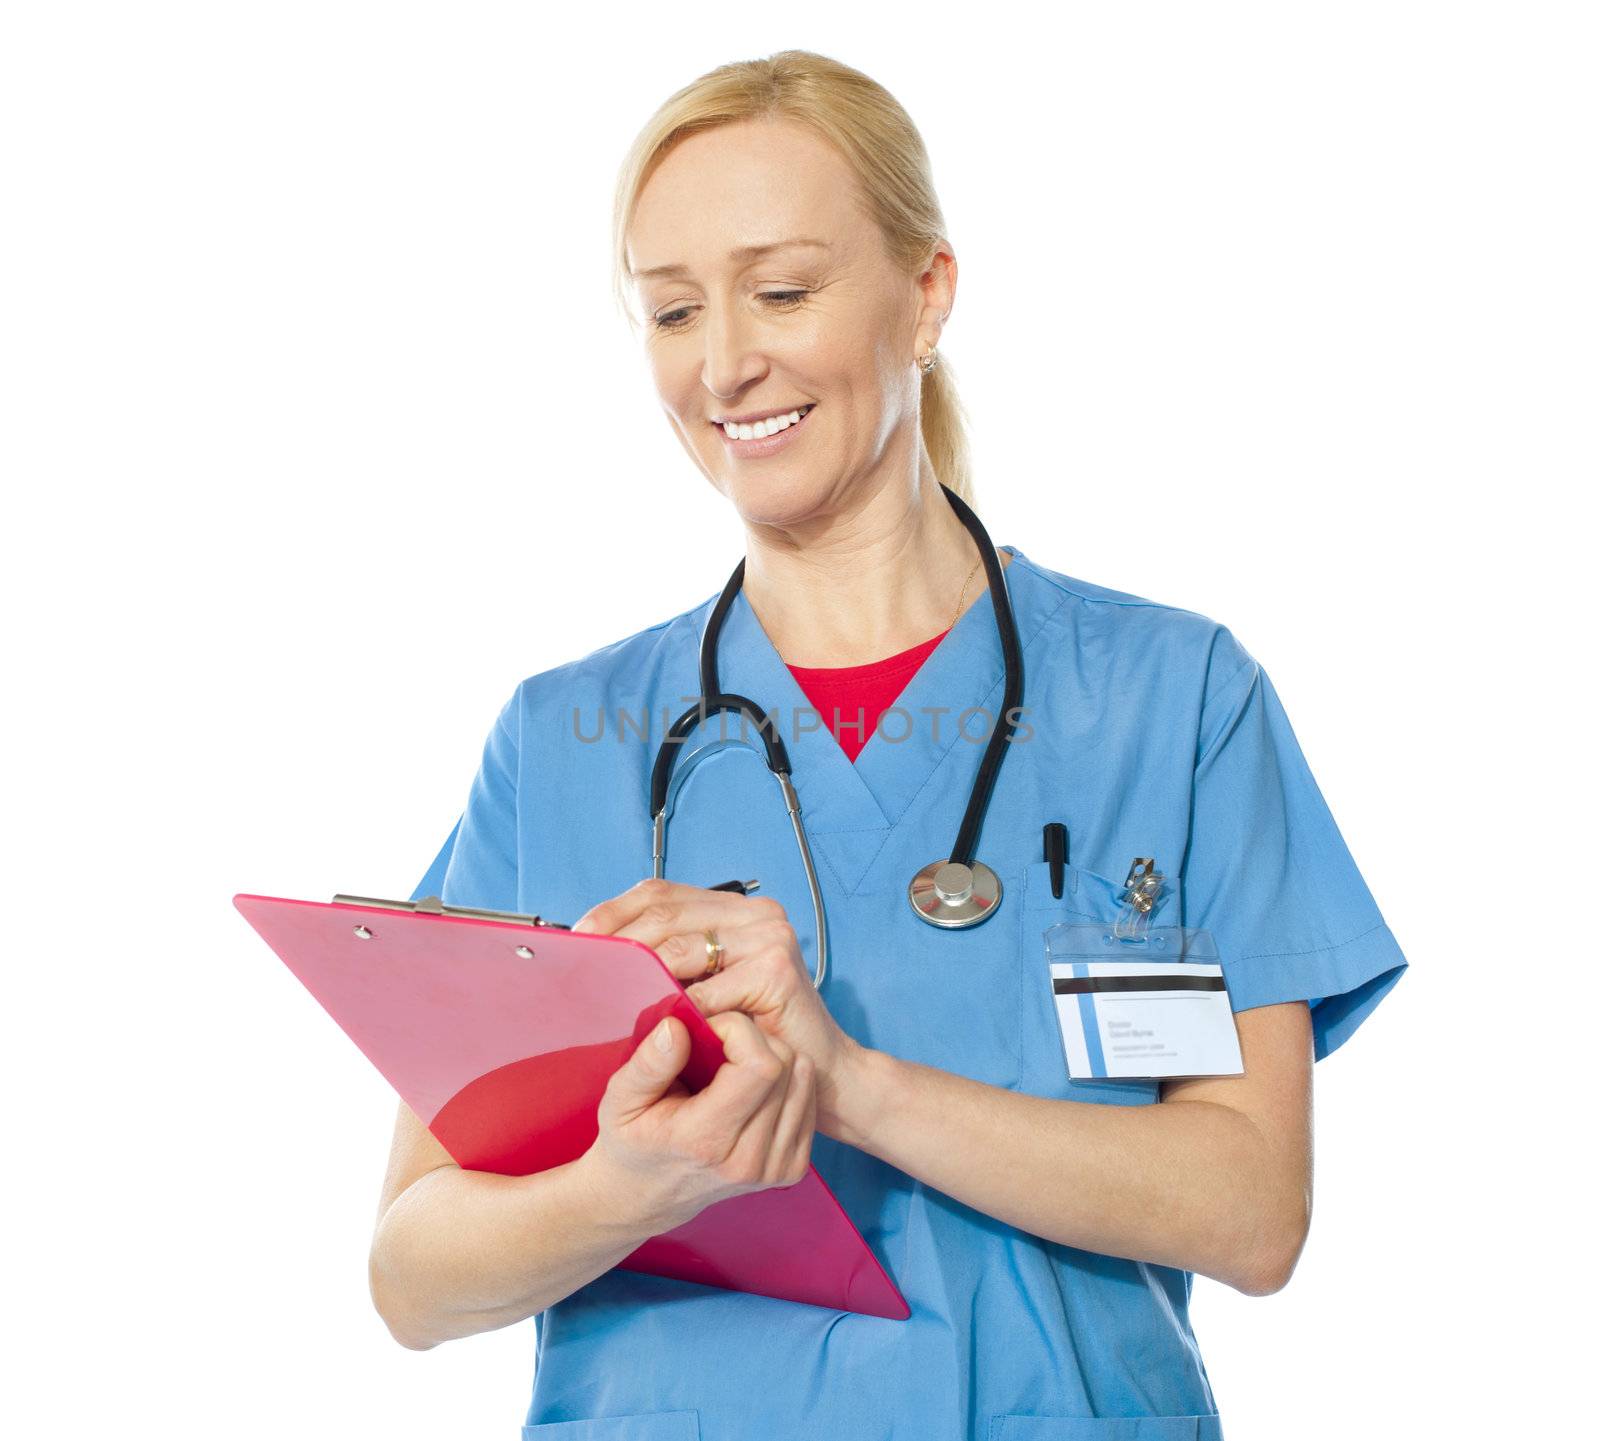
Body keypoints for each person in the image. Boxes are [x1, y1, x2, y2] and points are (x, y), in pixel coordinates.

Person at [367, 49, 1408, 1441]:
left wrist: (847, 1084)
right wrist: (631, 1183)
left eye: (781, 289)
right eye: (671, 309)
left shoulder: (1173, 702)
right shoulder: (565, 740)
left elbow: (1252, 1206)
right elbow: (412, 1274)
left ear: (927, 296)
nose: (725, 360)